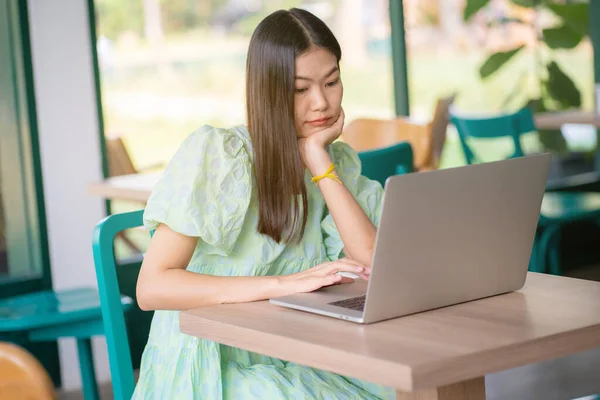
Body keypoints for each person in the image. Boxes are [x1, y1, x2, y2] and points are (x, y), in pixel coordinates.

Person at [133, 7, 395, 399]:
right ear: (269, 90)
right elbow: (152, 286)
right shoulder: (221, 155)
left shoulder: (334, 162)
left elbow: (376, 263)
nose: (322, 103)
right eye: (300, 89)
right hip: (215, 361)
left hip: (300, 347)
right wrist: (284, 284)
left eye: (332, 82)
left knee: (400, 388)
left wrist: (319, 162)